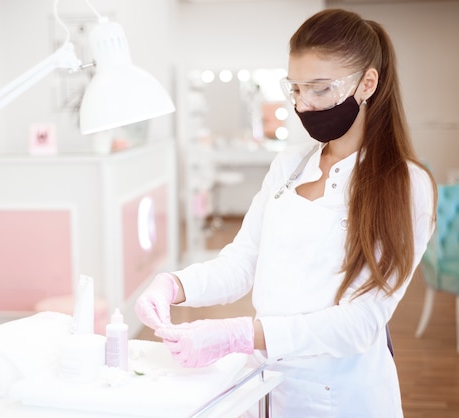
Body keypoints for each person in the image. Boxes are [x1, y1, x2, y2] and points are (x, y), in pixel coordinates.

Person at [134, 8, 437, 418]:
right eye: (294, 89)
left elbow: (362, 321)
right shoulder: (289, 166)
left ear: (367, 84)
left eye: (319, 89)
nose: (303, 105)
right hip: (269, 385)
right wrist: (175, 285)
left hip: (342, 395)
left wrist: (244, 334)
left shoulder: (404, 184)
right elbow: (243, 263)